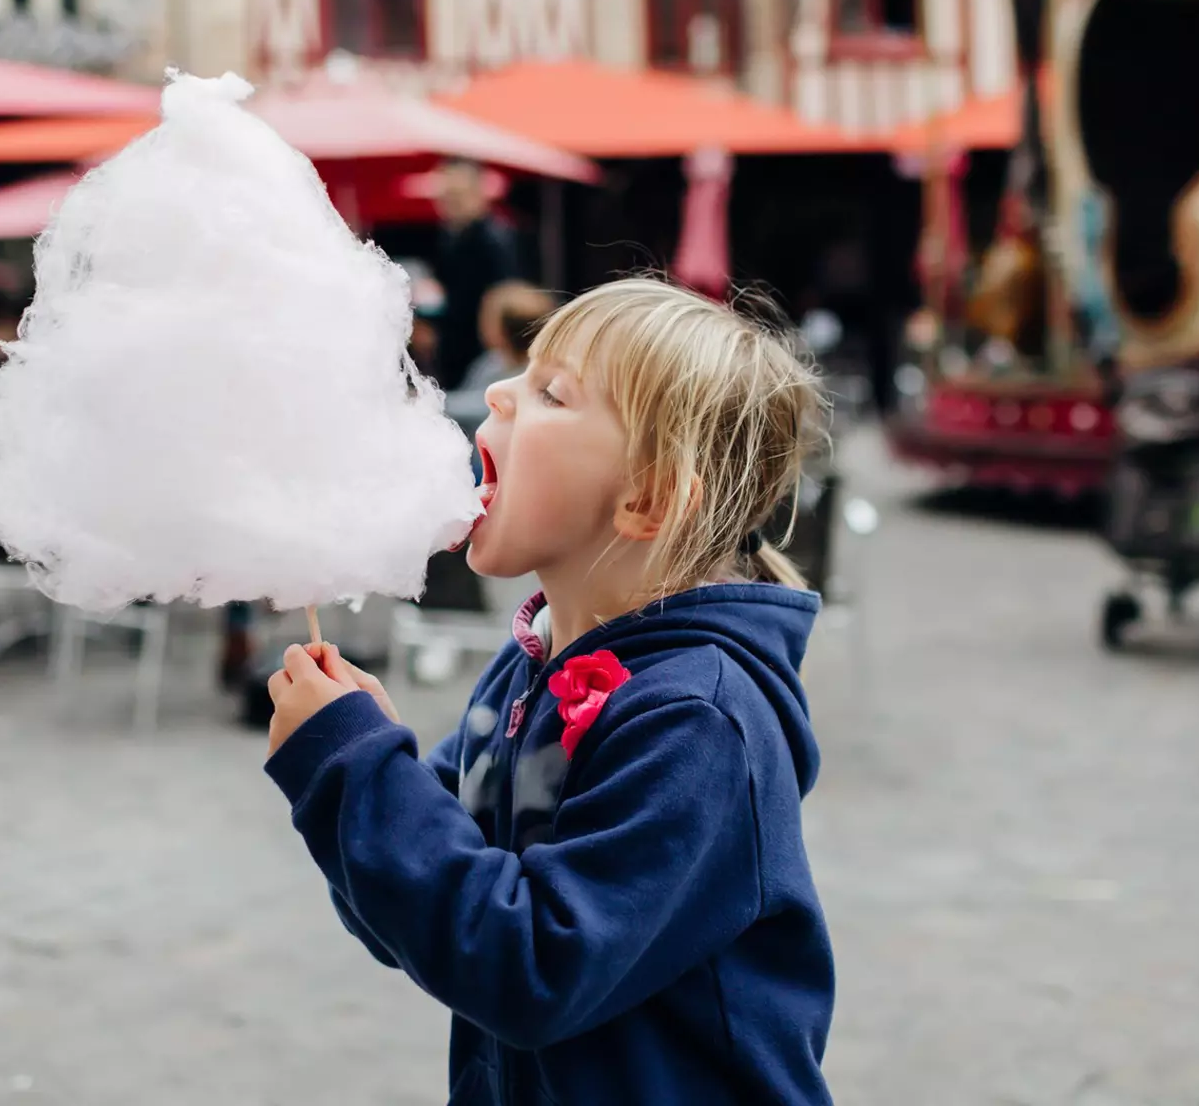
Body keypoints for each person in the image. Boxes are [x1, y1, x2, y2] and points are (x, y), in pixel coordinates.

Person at [263, 278, 833, 1106]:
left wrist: (355, 771)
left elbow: (531, 969)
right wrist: (374, 771)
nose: (498, 390)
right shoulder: (531, 662)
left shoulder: (697, 721)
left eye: (551, 393)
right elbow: (423, 926)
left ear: (649, 498)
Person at [431, 159, 518, 390]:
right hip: (456, 341)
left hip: (484, 344)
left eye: (457, 196)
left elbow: (505, 294)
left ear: (477, 194)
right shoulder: (450, 237)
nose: (450, 204)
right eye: (446, 197)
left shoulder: (492, 238)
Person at [444, 279, 557, 432]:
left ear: (501, 330)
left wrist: (432, 401)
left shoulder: (537, 374)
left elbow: (481, 406)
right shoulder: (491, 362)